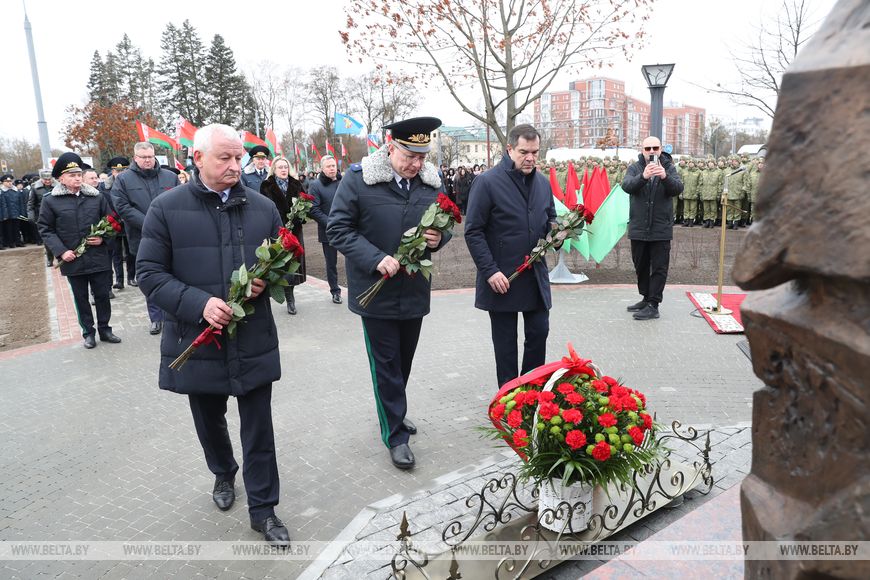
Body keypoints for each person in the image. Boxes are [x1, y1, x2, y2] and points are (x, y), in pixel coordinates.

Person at [136, 124, 290, 546]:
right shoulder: (165, 209)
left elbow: (289, 264)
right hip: (197, 339)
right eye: (225, 158)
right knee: (209, 419)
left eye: (238, 157)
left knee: (259, 426)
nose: (235, 166)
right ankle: (223, 472)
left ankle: (264, 509)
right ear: (198, 157)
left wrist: (272, 282)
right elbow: (148, 274)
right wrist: (199, 304)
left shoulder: (263, 208)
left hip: (253, 337)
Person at [327, 116, 450, 470]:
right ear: (390, 146)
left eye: (422, 157)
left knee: (403, 361)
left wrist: (438, 238)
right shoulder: (360, 180)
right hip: (375, 293)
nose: (416, 164)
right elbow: (338, 229)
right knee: (386, 366)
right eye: (409, 156)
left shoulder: (429, 184)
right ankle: (395, 435)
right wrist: (375, 258)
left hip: (413, 290)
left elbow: (446, 226)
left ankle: (395, 411)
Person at [464, 124, 556, 389]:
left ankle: (531, 390)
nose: (530, 158)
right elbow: (474, 231)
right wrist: (490, 270)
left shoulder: (542, 182)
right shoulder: (487, 182)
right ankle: (508, 397)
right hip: (502, 278)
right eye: (523, 152)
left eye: (535, 152)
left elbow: (549, 217)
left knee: (539, 332)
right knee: (505, 344)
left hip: (534, 276)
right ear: (509, 149)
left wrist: (557, 232)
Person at [37, 153, 121, 348]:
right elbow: (45, 229)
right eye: (72, 175)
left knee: (102, 295)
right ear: (61, 178)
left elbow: (112, 222)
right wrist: (61, 252)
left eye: (78, 174)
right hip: (72, 259)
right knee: (81, 298)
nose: (76, 178)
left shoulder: (96, 197)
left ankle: (105, 329)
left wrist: (103, 239)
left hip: (98, 257)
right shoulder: (51, 201)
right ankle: (88, 333)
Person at [112, 143, 179, 334]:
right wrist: (151, 223)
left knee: (175, 275)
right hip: (142, 237)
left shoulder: (170, 177)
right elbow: (122, 207)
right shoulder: (123, 180)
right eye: (143, 157)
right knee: (151, 277)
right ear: (135, 157)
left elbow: (182, 202)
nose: (148, 160)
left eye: (150, 156)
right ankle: (156, 317)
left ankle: (174, 314)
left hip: (172, 236)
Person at [621, 136, 684, 321]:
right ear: (642, 150)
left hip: (660, 228)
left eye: (655, 148)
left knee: (658, 267)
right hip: (639, 226)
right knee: (640, 264)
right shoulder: (635, 167)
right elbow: (627, 186)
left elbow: (678, 188)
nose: (651, 151)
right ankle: (646, 297)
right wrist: (644, 177)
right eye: (647, 148)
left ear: (660, 148)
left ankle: (654, 304)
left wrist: (664, 176)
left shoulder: (669, 167)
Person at [258, 156, 306, 314]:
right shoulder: (267, 186)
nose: (284, 170)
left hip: (294, 232)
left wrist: (298, 216)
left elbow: (305, 206)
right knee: (281, 265)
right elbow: (264, 210)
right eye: (280, 167)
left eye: (285, 167)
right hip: (277, 232)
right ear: (274, 169)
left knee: (292, 264)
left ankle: (290, 297)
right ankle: (283, 296)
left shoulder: (296, 184)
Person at [308, 156, 343, 304]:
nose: (332, 168)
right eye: (328, 166)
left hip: (349, 229)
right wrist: (331, 223)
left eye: (333, 165)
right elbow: (313, 209)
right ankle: (335, 291)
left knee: (355, 259)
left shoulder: (344, 182)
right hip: (329, 230)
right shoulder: (315, 185)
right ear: (322, 169)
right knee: (331, 263)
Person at [100, 157, 133, 288]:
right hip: (113, 223)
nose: (120, 173)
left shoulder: (132, 183)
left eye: (123, 170)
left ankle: (132, 277)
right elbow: (104, 204)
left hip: (129, 222)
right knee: (116, 253)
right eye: (117, 171)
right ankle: (119, 280)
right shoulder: (104, 186)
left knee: (131, 252)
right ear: (112, 172)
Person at [28, 169, 55, 263]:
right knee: (47, 238)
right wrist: (31, 216)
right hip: (42, 216)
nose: (47, 181)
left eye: (49, 179)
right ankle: (49, 258)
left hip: (57, 215)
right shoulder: (35, 187)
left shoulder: (58, 186)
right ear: (41, 179)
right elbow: (31, 204)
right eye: (45, 180)